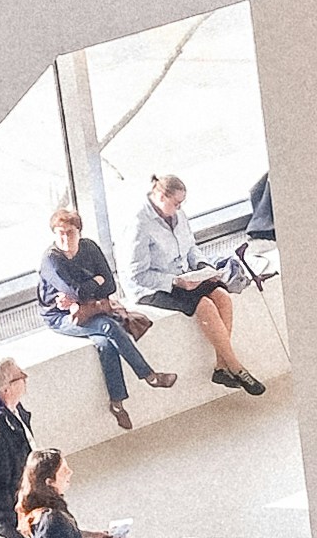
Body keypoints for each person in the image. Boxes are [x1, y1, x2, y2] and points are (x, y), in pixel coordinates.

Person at [39, 199, 178, 428]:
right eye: (60, 233)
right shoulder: (51, 259)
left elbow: (110, 285)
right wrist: (94, 282)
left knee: (105, 343)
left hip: (91, 307)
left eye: (70, 233)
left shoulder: (89, 248)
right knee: (108, 327)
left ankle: (117, 404)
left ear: (79, 232)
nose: (65, 238)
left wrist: (85, 291)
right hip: (60, 316)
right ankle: (150, 376)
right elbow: (76, 291)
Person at [132, 172, 269, 394]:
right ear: (161, 196)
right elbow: (137, 275)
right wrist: (176, 281)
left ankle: (221, 367)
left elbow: (191, 248)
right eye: (176, 203)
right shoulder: (139, 224)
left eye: (182, 203)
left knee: (222, 296)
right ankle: (236, 367)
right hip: (153, 286)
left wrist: (203, 267)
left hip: (183, 277)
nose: (179, 208)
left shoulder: (178, 214)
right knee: (204, 304)